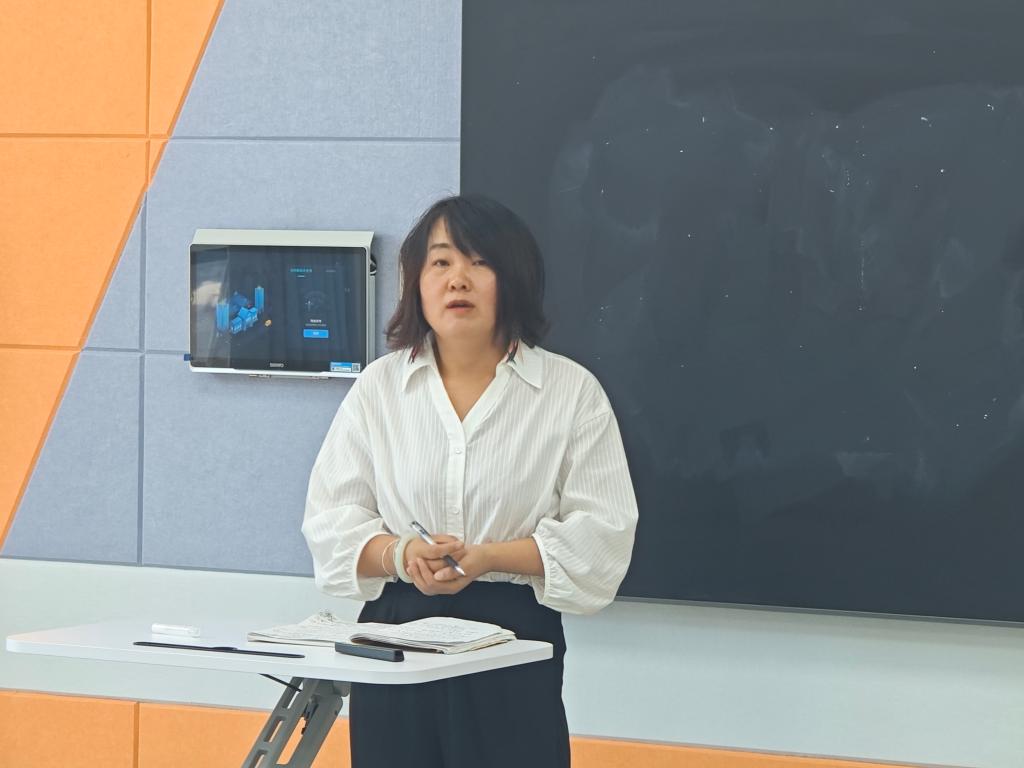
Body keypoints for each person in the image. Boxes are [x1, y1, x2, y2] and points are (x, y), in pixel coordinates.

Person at [302, 194, 638, 767]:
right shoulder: (378, 389)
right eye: (441, 262)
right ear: (417, 282)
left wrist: (488, 557)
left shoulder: (571, 392)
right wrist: (401, 553)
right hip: (394, 636)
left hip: (513, 638)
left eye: (479, 262)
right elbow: (330, 522)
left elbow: (604, 536)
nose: (458, 278)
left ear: (513, 279)